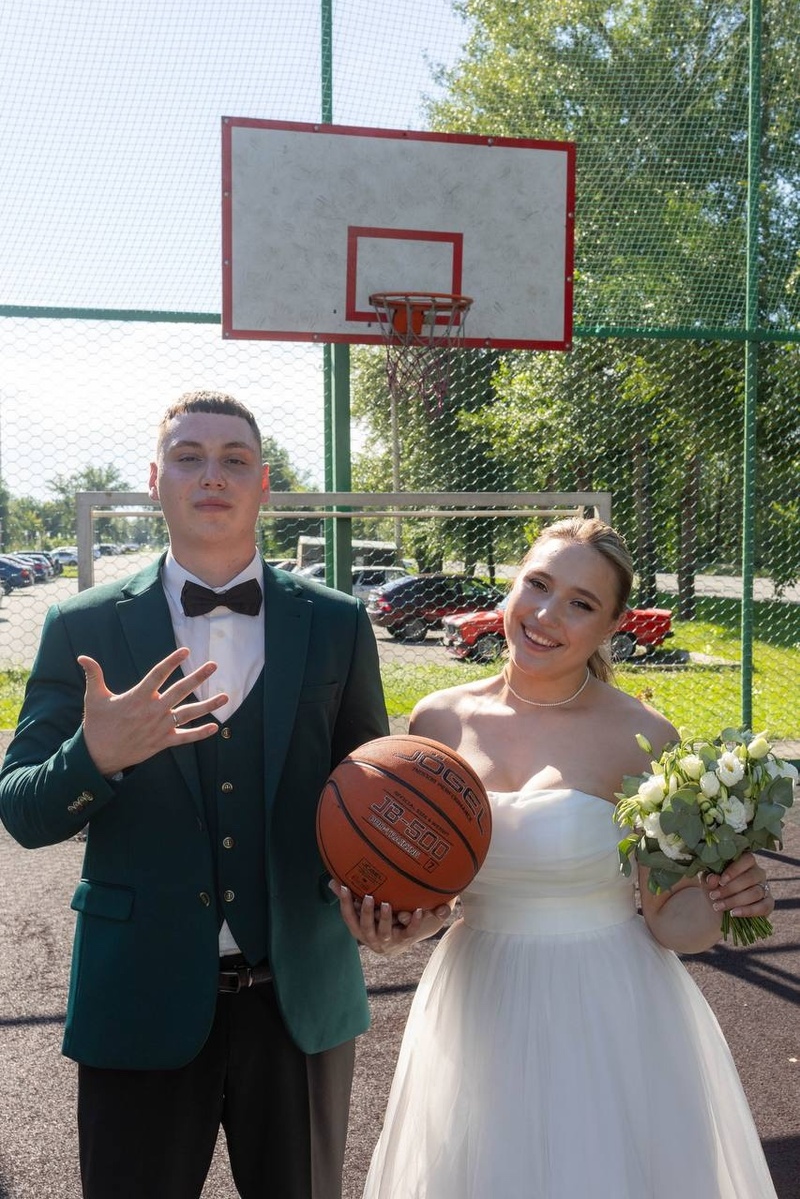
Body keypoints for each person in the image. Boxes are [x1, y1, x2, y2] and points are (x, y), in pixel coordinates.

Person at [0, 390, 389, 1199]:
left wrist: (401, 900)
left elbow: (373, 796)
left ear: (264, 483)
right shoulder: (81, 626)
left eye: (234, 459)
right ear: (154, 481)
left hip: (300, 1000)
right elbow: (24, 810)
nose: (212, 475)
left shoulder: (338, 623)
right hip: (137, 997)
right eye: (189, 457)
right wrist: (94, 758)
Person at [334, 517, 778, 1198]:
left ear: (612, 625)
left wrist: (727, 896)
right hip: (477, 1000)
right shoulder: (436, 722)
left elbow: (673, 924)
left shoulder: (645, 737)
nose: (546, 616)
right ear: (512, 585)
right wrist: (398, 932)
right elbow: (436, 896)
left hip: (608, 1009)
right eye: (538, 585)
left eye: (581, 603)